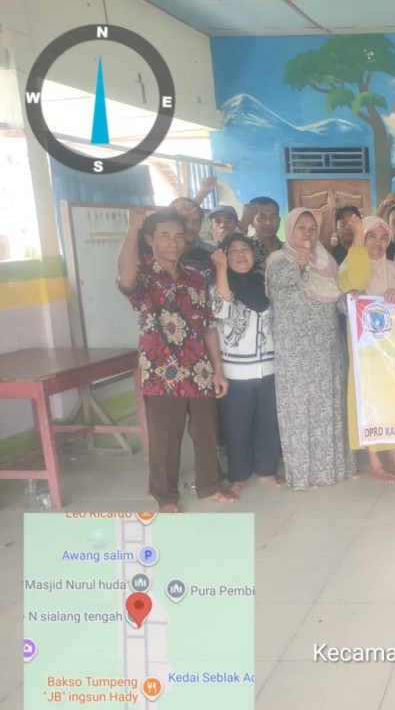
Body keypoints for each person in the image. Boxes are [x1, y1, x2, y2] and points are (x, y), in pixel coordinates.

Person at [116, 208, 235, 512]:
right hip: (161, 373)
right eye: (165, 236)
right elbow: (125, 277)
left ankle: (210, 486)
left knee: (207, 431)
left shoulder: (195, 276)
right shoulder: (143, 275)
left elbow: (208, 325)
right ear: (150, 239)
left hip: (199, 369)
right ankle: (165, 496)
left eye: (179, 236)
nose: (173, 243)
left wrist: (218, 370)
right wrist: (131, 229)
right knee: (165, 439)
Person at [265, 209, 356, 490]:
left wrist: (357, 300)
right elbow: (284, 280)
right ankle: (304, 475)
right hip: (296, 355)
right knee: (300, 413)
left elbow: (339, 301)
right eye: (301, 227)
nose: (307, 233)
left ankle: (334, 468)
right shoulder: (278, 260)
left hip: (328, 351)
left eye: (312, 228)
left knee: (329, 409)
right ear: (289, 230)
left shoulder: (326, 262)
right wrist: (301, 262)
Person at [339, 215, 395, 483]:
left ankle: (393, 454)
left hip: (390, 346)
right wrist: (357, 238)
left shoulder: (393, 268)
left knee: (391, 396)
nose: (378, 243)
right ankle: (375, 460)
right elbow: (357, 281)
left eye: (383, 237)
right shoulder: (349, 264)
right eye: (371, 236)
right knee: (369, 397)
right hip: (365, 347)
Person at [210, 234, 283, 495]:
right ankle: (237, 476)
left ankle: (266, 471)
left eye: (246, 249)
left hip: (269, 366)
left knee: (267, 423)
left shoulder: (263, 283)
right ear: (224, 256)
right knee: (237, 427)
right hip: (236, 371)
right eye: (234, 251)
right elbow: (221, 310)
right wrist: (221, 269)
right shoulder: (219, 285)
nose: (241, 255)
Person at [248, 196, 284, 263]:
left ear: (279, 221)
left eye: (273, 217)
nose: (268, 223)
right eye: (262, 217)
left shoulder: (289, 250)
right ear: (251, 222)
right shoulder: (245, 248)